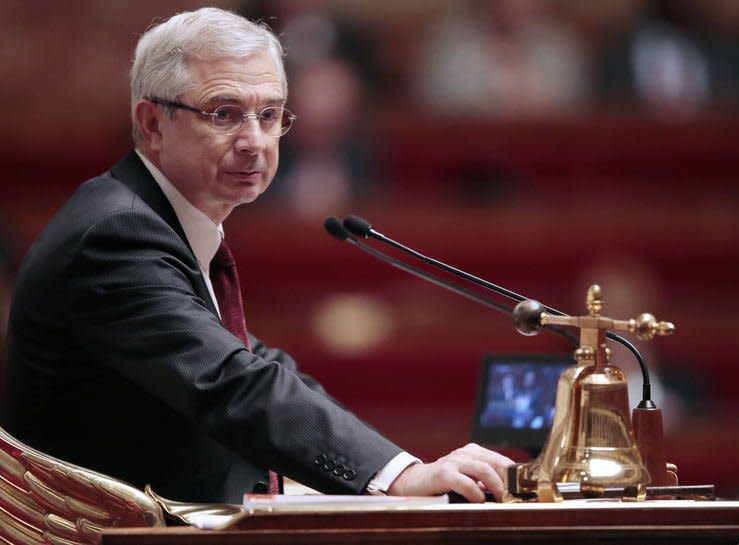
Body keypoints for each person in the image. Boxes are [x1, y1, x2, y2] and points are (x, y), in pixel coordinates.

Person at [0, 7, 511, 505]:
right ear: (152, 124)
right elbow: (230, 382)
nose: (254, 142)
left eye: (268, 115)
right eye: (223, 114)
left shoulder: (155, 219)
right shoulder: (117, 236)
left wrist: (393, 466)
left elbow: (254, 361)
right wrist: (396, 476)